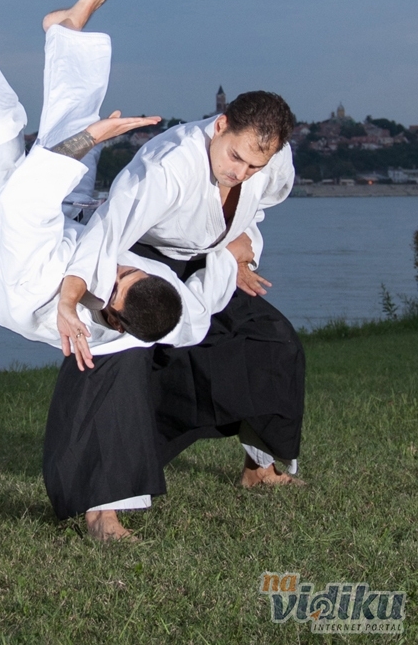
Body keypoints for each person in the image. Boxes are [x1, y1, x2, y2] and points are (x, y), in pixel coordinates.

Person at [0, 0, 243, 538]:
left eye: (121, 278)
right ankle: (65, 33)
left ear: (110, 315)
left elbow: (24, 202)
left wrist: (88, 141)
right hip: (61, 223)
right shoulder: (161, 311)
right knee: (75, 140)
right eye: (135, 269)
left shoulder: (42, 287)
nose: (123, 266)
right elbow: (199, 312)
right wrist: (229, 255)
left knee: (2, 125)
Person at [46, 89, 304, 536]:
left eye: (254, 166)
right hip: (137, 260)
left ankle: (258, 468)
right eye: (236, 157)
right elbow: (106, 233)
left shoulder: (272, 158)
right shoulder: (166, 167)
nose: (240, 172)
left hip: (208, 260)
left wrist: (239, 249)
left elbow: (255, 207)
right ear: (220, 126)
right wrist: (71, 300)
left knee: (269, 338)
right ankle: (101, 510)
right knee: (117, 359)